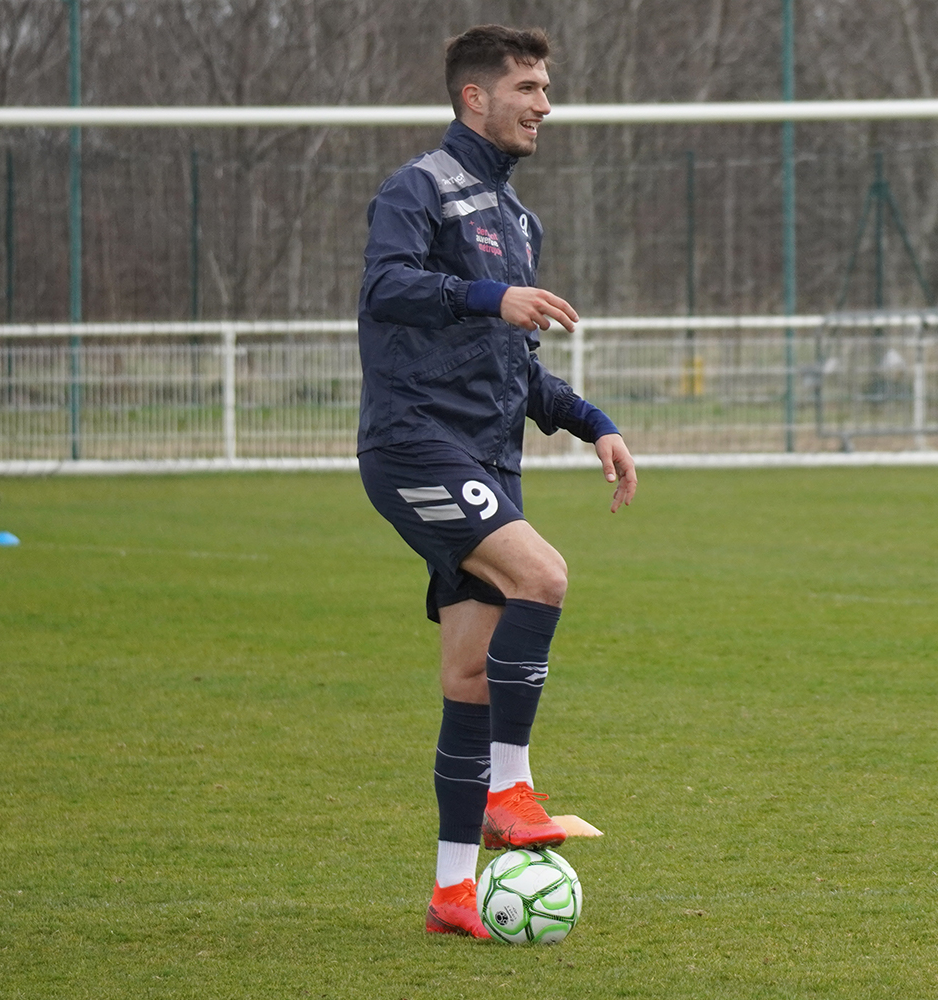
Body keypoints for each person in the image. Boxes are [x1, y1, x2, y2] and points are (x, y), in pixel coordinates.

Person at [356, 24, 638, 939]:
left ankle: (450, 895)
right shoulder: (418, 189)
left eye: (547, 87)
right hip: (415, 444)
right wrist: (488, 296)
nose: (544, 104)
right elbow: (387, 286)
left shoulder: (519, 222)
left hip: (485, 458)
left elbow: (518, 372)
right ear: (474, 97)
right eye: (528, 86)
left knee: (471, 675)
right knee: (544, 576)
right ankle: (510, 790)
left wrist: (595, 425)